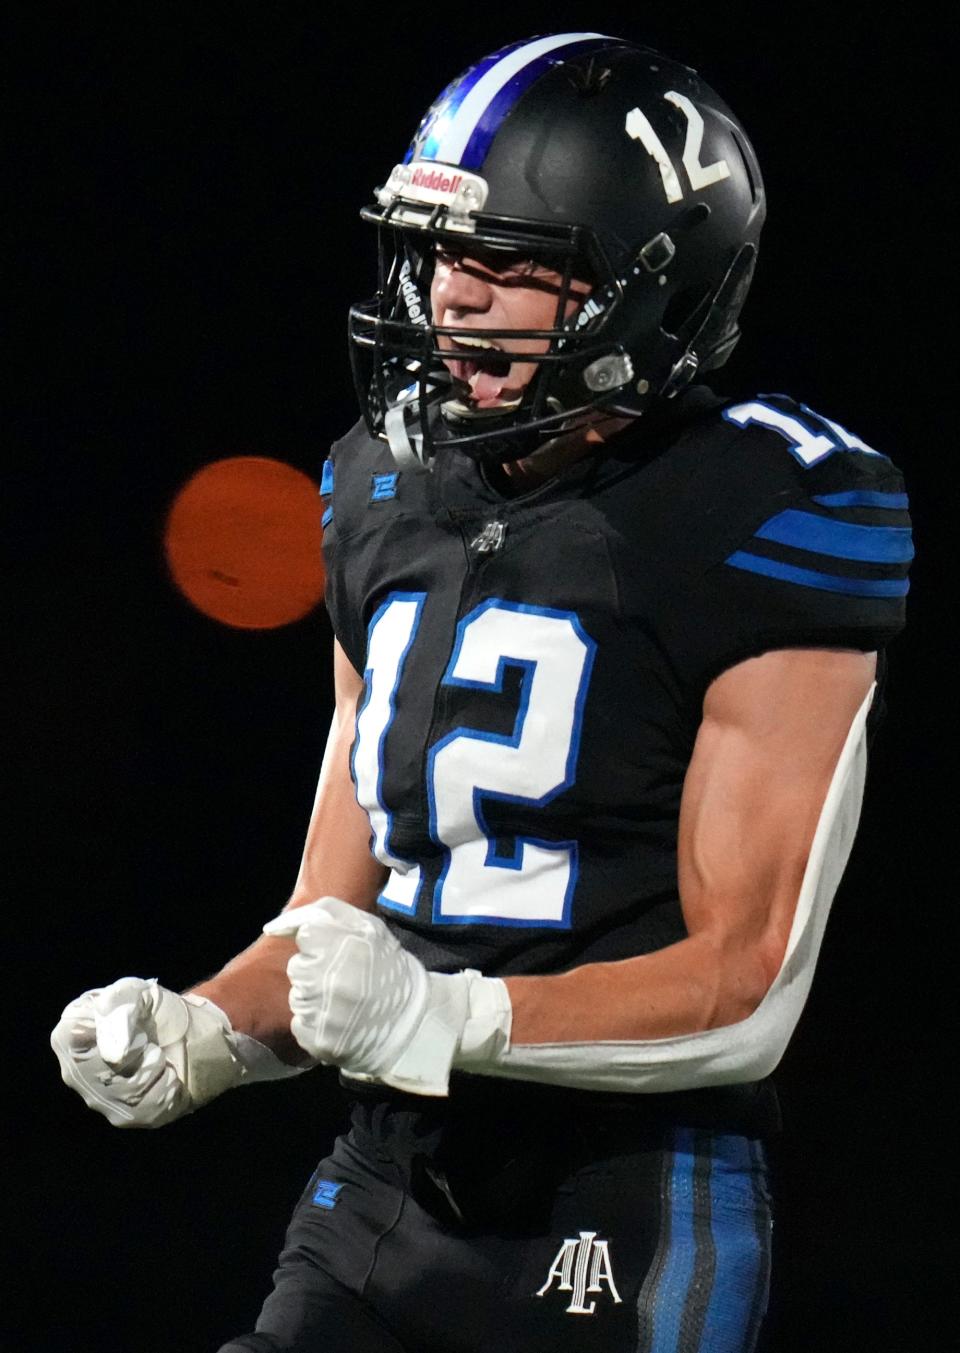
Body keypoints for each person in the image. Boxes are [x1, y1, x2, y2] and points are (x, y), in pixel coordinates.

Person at [51, 33, 912, 1353]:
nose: (455, 297)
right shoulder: (377, 489)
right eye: (446, 252)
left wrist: (448, 1013)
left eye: (513, 264)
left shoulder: (767, 507)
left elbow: (748, 988)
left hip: (626, 1190)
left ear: (651, 289)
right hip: (390, 1173)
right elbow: (332, 914)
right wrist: (208, 1025)